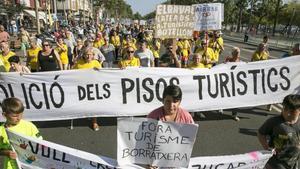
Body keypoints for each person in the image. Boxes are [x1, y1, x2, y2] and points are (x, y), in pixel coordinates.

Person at [258, 94, 300, 169]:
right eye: (285, 109)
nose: (287, 113)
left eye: (292, 111)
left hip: (293, 162)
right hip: (276, 163)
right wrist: (266, 147)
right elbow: (261, 133)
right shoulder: (275, 122)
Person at [0, 97, 42, 169]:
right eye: (15, 116)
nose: (19, 118)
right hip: (10, 166)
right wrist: (6, 152)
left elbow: (40, 144)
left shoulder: (29, 126)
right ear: (4, 115)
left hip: (29, 164)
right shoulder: (1, 130)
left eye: (21, 114)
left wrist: (35, 154)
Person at [73, 48, 101, 131]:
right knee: (86, 104)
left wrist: (99, 70)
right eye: (87, 54)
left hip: (93, 87)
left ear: (93, 55)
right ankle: (88, 114)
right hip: (82, 87)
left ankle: (95, 122)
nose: (88, 56)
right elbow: (72, 73)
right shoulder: (79, 63)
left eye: (90, 54)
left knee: (94, 105)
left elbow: (102, 73)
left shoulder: (96, 62)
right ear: (84, 55)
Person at [223, 47, 242, 121]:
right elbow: (223, 68)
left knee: (235, 98)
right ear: (232, 53)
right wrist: (224, 64)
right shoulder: (228, 60)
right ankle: (221, 107)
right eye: (236, 52)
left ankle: (234, 114)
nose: (238, 54)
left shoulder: (240, 62)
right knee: (225, 96)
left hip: (236, 83)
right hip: (228, 82)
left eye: (239, 52)